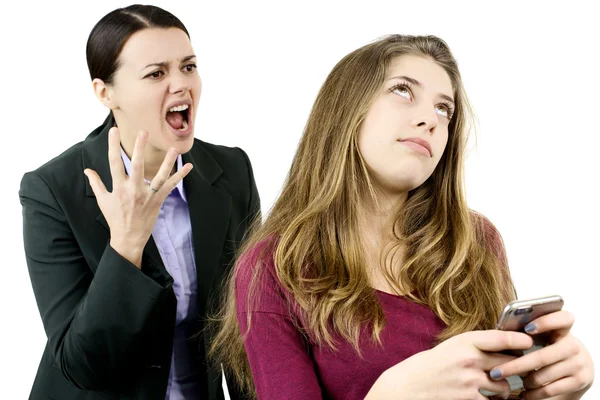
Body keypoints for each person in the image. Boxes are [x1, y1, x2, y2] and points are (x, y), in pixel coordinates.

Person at [211, 35, 594, 400]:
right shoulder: (274, 267)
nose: (430, 119)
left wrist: (551, 387)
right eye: (403, 90)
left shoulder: (476, 241)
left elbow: (500, 385)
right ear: (347, 108)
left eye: (444, 109)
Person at [19, 5, 259, 399]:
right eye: (156, 73)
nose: (181, 85)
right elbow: (82, 365)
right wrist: (127, 244)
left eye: (189, 66)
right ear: (106, 93)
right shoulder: (52, 190)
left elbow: (247, 325)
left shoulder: (232, 171)